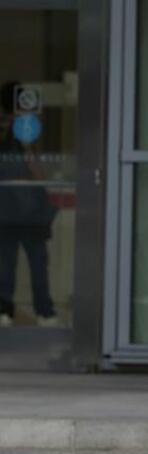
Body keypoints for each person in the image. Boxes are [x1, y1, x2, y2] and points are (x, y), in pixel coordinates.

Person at [0, 82, 58, 328]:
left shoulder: (30, 131)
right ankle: (8, 309)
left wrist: (26, 144)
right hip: (9, 211)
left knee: (35, 266)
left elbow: (39, 173)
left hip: (29, 213)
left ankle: (43, 310)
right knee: (6, 267)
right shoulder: (7, 132)